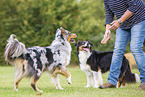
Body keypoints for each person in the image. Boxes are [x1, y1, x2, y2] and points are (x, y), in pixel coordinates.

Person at [99, 0, 145, 90]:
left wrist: (119, 21)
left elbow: (135, 5)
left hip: (139, 19)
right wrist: (107, 29)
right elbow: (109, 12)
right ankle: (112, 82)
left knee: (135, 48)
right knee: (117, 50)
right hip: (124, 23)